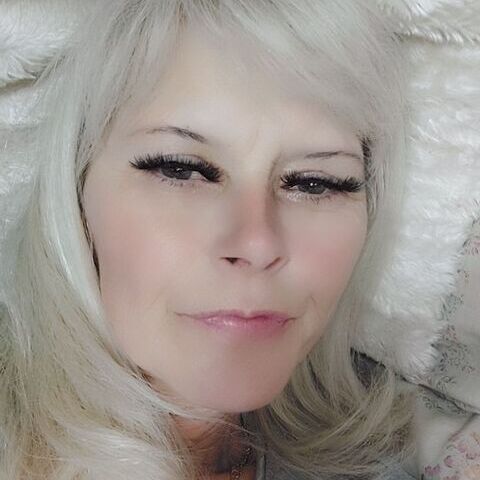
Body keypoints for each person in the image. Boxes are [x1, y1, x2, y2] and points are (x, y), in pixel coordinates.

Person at [0, 1, 416, 479]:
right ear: (76, 188)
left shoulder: (383, 459)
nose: (257, 244)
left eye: (314, 183)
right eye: (182, 169)